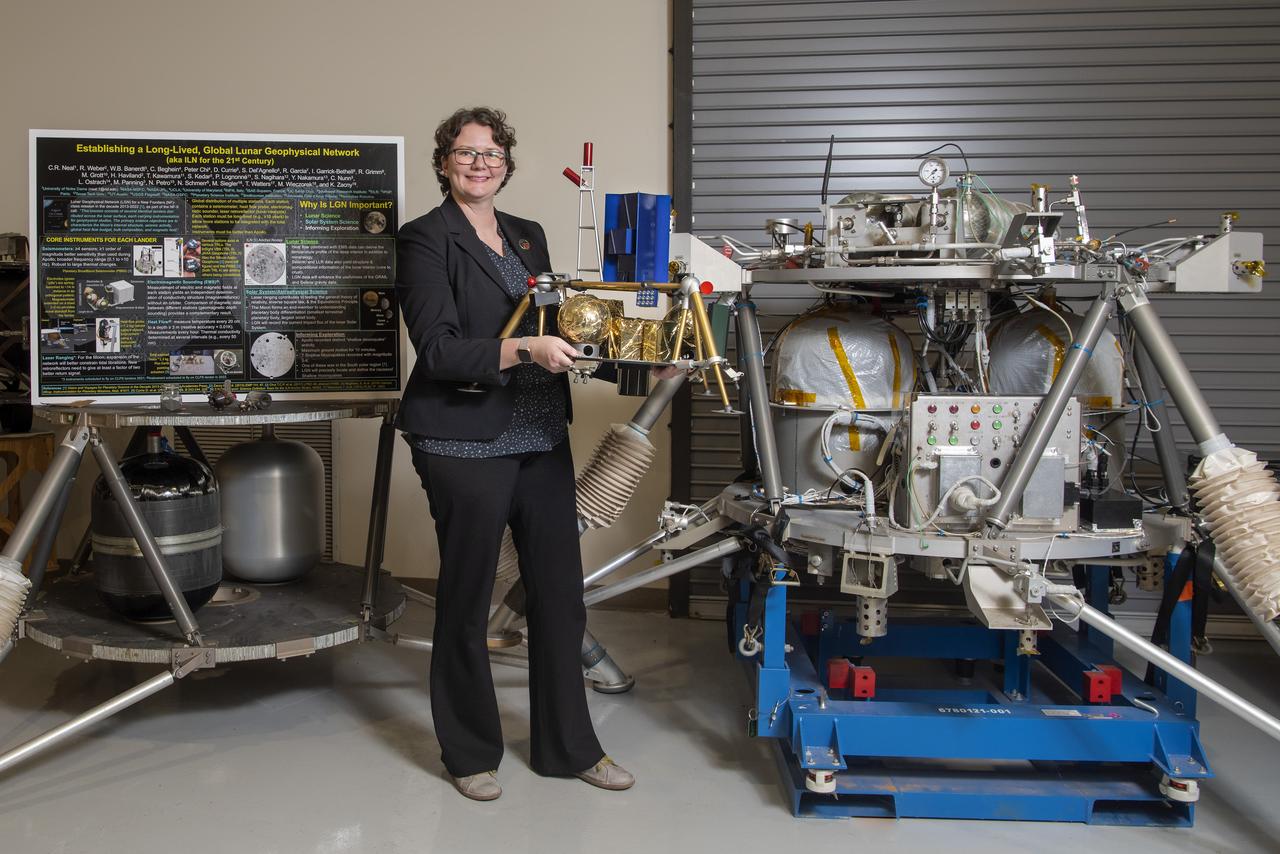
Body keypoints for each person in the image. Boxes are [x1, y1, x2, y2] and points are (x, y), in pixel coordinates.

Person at [395, 106, 635, 801]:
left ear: (507, 163)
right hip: (462, 437)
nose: (480, 163)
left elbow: (562, 320)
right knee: (468, 599)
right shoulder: (425, 239)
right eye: (466, 153)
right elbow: (437, 348)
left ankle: (570, 749)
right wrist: (523, 349)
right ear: (444, 163)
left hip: (539, 435)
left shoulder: (527, 235)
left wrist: (635, 353)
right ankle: (470, 754)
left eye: (492, 153)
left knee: (560, 598)